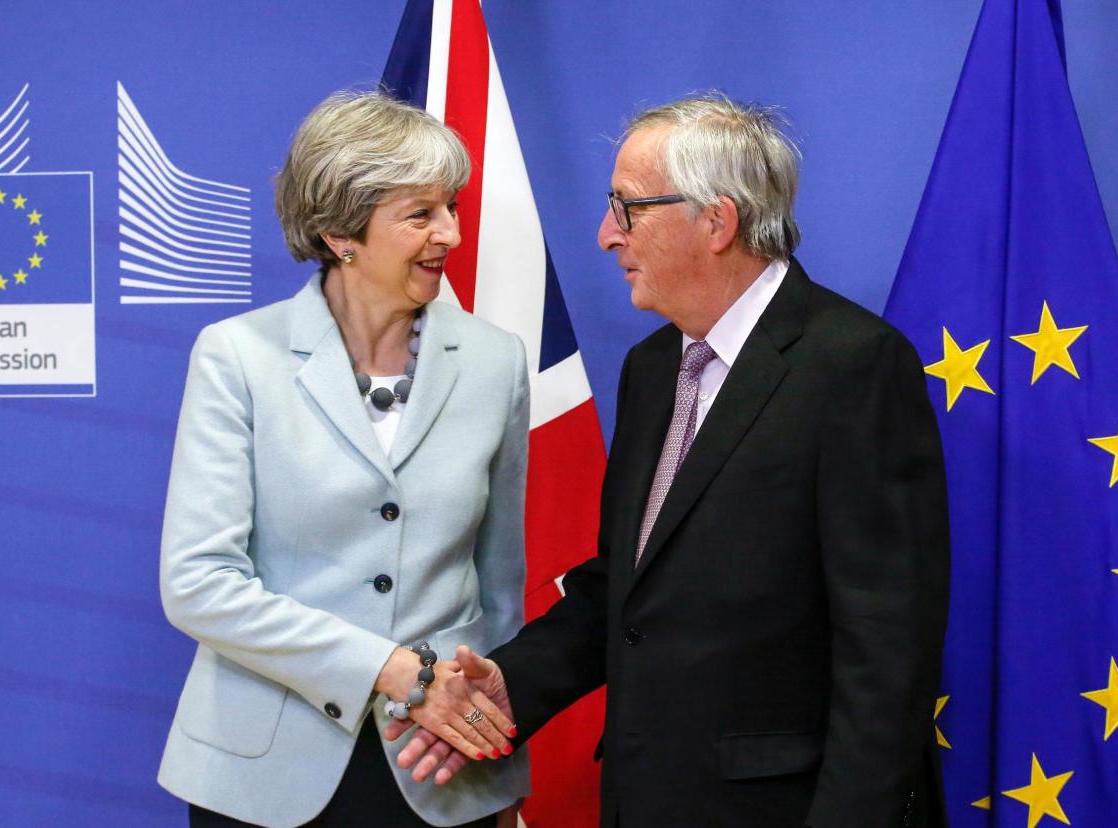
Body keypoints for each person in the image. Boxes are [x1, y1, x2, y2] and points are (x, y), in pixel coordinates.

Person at [390, 94, 951, 827]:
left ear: (716, 221)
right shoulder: (654, 368)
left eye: (626, 209)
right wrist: (512, 685)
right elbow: (626, 586)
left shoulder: (853, 367)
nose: (604, 236)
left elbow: (888, 650)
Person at [156, 91, 529, 828]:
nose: (449, 233)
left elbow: (500, 590)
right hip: (262, 772)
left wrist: (498, 757)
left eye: (449, 206)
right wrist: (389, 670)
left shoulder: (497, 362)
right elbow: (198, 583)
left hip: (442, 767)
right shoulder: (237, 357)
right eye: (420, 214)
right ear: (338, 233)